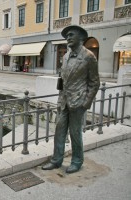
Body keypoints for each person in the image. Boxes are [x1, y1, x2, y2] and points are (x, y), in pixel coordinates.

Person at [42, 25, 100, 174]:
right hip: (64, 101)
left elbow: (94, 82)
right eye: (66, 35)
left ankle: (77, 161)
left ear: (81, 37)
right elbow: (64, 78)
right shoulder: (66, 56)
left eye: (71, 35)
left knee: (75, 133)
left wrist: (86, 102)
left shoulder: (89, 57)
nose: (67, 38)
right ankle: (56, 160)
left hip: (78, 101)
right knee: (59, 131)